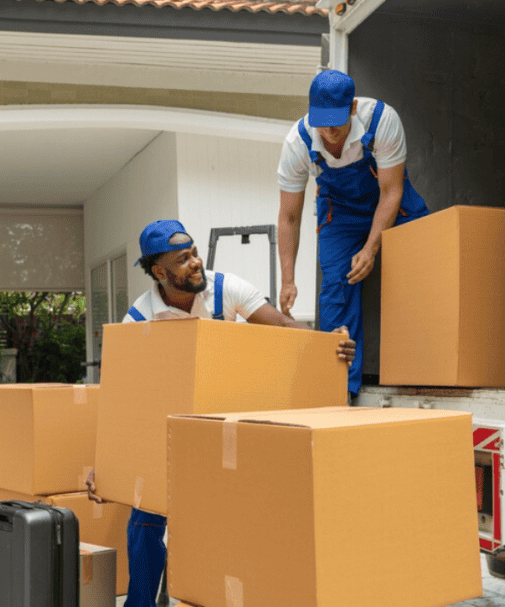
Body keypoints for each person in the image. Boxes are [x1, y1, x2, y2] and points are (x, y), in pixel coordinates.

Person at [87, 218, 355, 607]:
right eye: (183, 259)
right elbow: (123, 401)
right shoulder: (140, 319)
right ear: (160, 272)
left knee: (231, 526)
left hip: (223, 427)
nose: (195, 262)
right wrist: (108, 465)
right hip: (169, 429)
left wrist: (326, 344)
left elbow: (279, 324)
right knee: (146, 523)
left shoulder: (225, 288)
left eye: (195, 252)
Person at [277, 69, 429, 402]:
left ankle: (426, 370)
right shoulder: (297, 142)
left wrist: (371, 249)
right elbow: (289, 217)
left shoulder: (382, 121)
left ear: (352, 108)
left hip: (387, 199)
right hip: (340, 212)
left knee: (426, 258)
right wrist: (287, 280)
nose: (329, 132)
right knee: (336, 286)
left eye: (336, 121)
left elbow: (391, 191)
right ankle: (340, 389)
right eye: (321, 122)